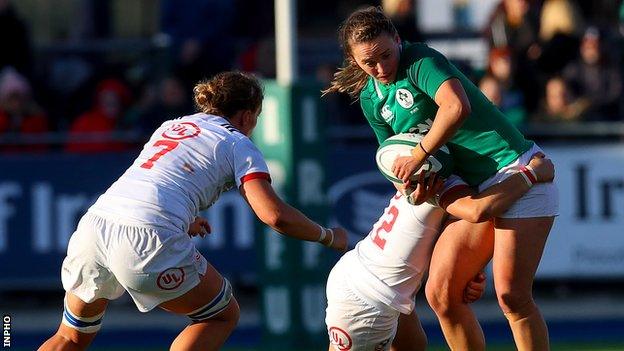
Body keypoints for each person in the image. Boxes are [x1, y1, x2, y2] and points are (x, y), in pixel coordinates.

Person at [38, 71, 348, 351]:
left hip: (95, 225)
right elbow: (274, 214)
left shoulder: (172, 126)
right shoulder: (237, 142)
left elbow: (158, 180)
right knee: (221, 315)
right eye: (256, 118)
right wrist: (327, 236)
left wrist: (182, 219)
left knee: (71, 337)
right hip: (147, 236)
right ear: (245, 116)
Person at [324, 7, 558, 351]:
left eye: (387, 55)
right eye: (369, 63)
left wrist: (417, 155)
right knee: (442, 295)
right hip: (473, 188)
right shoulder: (373, 100)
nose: (382, 68)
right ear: (353, 60)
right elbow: (397, 171)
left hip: (514, 167)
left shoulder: (419, 60)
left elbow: (455, 108)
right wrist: (415, 189)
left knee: (512, 296)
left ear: (398, 41)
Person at [326, 154, 555, 351]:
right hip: (369, 297)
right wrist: (531, 174)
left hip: (364, 273)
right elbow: (478, 210)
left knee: (413, 346)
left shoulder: (429, 173)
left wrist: (469, 268)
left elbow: (438, 236)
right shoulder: (439, 181)